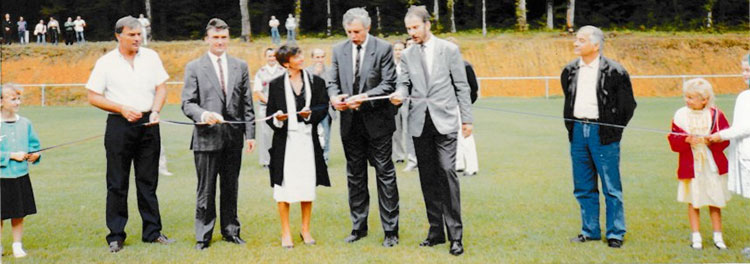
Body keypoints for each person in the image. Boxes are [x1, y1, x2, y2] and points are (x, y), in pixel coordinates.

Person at [86, 16, 175, 253]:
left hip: (149, 124)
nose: (137, 38)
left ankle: (152, 232)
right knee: (117, 182)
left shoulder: (151, 57)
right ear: (118, 36)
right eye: (132, 35)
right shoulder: (106, 62)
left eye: (139, 34)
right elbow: (93, 96)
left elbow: (161, 88)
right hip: (119, 124)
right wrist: (122, 108)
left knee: (148, 181)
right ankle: (116, 235)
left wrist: (156, 111)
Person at [389, 5, 472, 256]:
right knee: (428, 178)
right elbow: (404, 83)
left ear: (428, 25)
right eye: (408, 29)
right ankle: (435, 231)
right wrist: (400, 95)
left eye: (415, 27)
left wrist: (467, 119)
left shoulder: (449, 50)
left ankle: (455, 236)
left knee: (447, 172)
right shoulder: (408, 54)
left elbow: (462, 86)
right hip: (418, 123)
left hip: (445, 121)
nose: (411, 33)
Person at [181, 18, 256, 250]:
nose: (220, 42)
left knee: (231, 187)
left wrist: (250, 134)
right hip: (206, 138)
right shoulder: (194, 67)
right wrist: (203, 115)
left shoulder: (240, 66)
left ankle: (231, 231)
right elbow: (187, 103)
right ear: (207, 39)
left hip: (233, 138)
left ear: (228, 39)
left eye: (223, 38)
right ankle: (203, 235)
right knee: (206, 189)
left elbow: (247, 103)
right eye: (215, 37)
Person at [328, 7, 400, 248]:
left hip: (378, 123)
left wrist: (364, 96)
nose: (353, 36)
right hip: (350, 124)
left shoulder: (383, 48)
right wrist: (335, 97)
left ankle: (391, 230)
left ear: (367, 28)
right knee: (355, 177)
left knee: (385, 174)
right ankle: (358, 227)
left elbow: (389, 84)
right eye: (349, 31)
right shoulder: (338, 50)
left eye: (357, 31)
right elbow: (332, 81)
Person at [560, 25, 636, 248]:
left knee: (611, 186)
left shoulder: (615, 71)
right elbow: (568, 99)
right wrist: (574, 128)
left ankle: (615, 233)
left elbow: (627, 106)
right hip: (578, 132)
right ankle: (590, 230)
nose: (576, 43)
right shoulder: (570, 70)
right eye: (576, 39)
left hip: (602, 133)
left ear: (595, 45)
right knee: (583, 186)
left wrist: (613, 130)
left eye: (581, 40)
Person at [266, 44, 330, 249]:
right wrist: (278, 118)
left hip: (307, 141)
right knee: (283, 188)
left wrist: (310, 114)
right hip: (285, 143)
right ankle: (286, 232)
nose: (301, 58)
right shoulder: (275, 84)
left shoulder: (316, 81)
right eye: (296, 56)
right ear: (286, 63)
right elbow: (270, 115)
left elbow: (323, 107)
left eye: (301, 54)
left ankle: (305, 229)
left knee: (306, 186)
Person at [668, 78, 730, 250]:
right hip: (691, 166)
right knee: (694, 200)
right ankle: (696, 236)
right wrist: (686, 139)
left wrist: (714, 140)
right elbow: (673, 140)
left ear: (704, 99)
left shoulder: (715, 115)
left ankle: (718, 236)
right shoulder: (680, 115)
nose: (687, 100)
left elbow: (726, 137)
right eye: (686, 96)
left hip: (712, 166)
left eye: (691, 97)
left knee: (715, 199)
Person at [708, 54, 750, 253]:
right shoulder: (744, 96)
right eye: (743, 70)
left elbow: (744, 128)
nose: (744, 74)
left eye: (747, 70)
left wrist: (720, 135)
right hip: (743, 155)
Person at [0, 83, 41, 258]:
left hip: (20, 176)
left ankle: (17, 245)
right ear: (1, 101)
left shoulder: (26, 123)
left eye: (18, 98)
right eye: (12, 99)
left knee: (18, 213)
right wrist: (10, 155)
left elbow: (34, 145)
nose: (17, 102)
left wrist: (35, 154)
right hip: (2, 177)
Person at [445, 37, 480, 176]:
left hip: (460, 106)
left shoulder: (465, 66)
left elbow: (473, 89)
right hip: (447, 106)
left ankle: (472, 167)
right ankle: (458, 164)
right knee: (452, 136)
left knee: (465, 136)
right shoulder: (444, 67)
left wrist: (465, 105)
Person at [253, 48, 286, 168]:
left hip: (281, 109)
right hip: (265, 108)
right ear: (265, 57)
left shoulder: (283, 71)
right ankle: (266, 161)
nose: (271, 58)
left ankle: (281, 159)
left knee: (281, 134)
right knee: (265, 135)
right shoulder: (260, 72)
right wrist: (270, 103)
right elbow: (258, 91)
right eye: (269, 56)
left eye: (273, 56)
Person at [391, 40, 418, 171]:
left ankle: (412, 158)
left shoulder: (412, 65)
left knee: (409, 130)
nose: (398, 52)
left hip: (408, 101)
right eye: (396, 50)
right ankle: (399, 155)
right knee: (396, 130)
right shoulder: (390, 66)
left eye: (400, 49)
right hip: (394, 102)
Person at [305, 48, 335, 163]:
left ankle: (325, 159)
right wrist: (316, 74)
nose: (320, 60)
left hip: (326, 109)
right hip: (312, 110)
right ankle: (312, 158)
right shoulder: (306, 72)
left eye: (322, 57)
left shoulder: (330, 71)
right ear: (312, 58)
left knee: (326, 135)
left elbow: (332, 87)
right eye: (317, 57)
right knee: (311, 134)